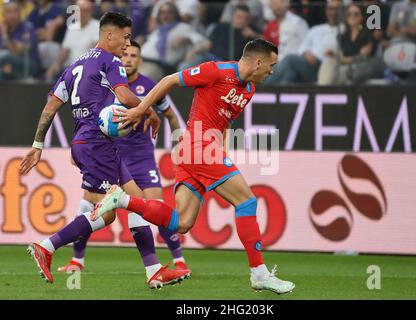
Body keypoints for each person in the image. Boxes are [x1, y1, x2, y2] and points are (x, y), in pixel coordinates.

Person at [92, 39, 296, 294]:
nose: (273, 71)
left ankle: (122, 201)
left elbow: (225, 122)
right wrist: (140, 110)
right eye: (271, 65)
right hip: (198, 146)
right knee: (247, 202)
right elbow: (168, 80)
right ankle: (259, 273)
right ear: (258, 62)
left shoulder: (248, 90)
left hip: (201, 152)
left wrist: (224, 152)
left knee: (182, 223)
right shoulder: (216, 71)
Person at [20, 12, 191, 289]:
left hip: (90, 142)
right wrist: (148, 110)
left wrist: (38, 145)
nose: (127, 45)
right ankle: (47, 246)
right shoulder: (111, 61)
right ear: (109, 35)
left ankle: (153, 269)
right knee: (109, 212)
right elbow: (124, 97)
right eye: (124, 37)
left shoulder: (75, 64)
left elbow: (50, 107)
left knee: (135, 199)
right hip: (95, 143)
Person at [56, 40, 189, 278]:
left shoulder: (150, 86)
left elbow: (170, 115)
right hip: (111, 154)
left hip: (142, 157)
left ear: (140, 60)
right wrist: (82, 150)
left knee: (154, 205)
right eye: (125, 54)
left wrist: (180, 143)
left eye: (134, 56)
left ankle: (178, 261)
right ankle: (77, 259)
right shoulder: (106, 85)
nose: (128, 59)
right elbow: (88, 120)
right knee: (90, 203)